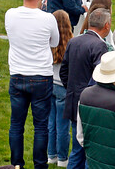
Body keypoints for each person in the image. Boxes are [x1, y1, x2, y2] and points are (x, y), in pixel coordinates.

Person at [5, 0, 60, 169]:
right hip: (40, 77)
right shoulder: (47, 18)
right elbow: (54, 43)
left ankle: (16, 165)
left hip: (19, 75)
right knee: (41, 126)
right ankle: (39, 165)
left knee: (16, 125)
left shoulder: (10, 15)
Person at [61, 8, 111, 169]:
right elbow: (99, 77)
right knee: (86, 151)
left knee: (77, 149)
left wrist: (73, 90)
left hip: (73, 100)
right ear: (107, 25)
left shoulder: (74, 41)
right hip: (88, 107)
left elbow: (64, 71)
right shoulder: (100, 46)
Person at [49, 10, 73, 167]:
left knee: (51, 123)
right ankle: (63, 159)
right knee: (63, 126)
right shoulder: (72, 44)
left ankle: (51, 155)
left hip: (49, 85)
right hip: (63, 88)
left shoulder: (47, 41)